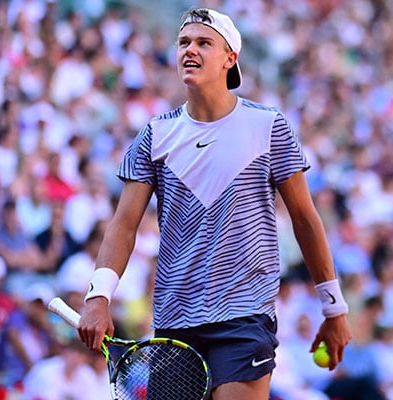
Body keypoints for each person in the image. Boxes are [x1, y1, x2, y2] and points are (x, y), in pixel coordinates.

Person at [76, 7, 351, 400]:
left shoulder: (268, 126)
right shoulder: (156, 134)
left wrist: (333, 308)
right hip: (174, 326)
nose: (190, 50)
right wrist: (98, 296)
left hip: (244, 320)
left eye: (204, 43)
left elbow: (306, 220)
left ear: (230, 59)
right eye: (184, 42)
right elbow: (123, 225)